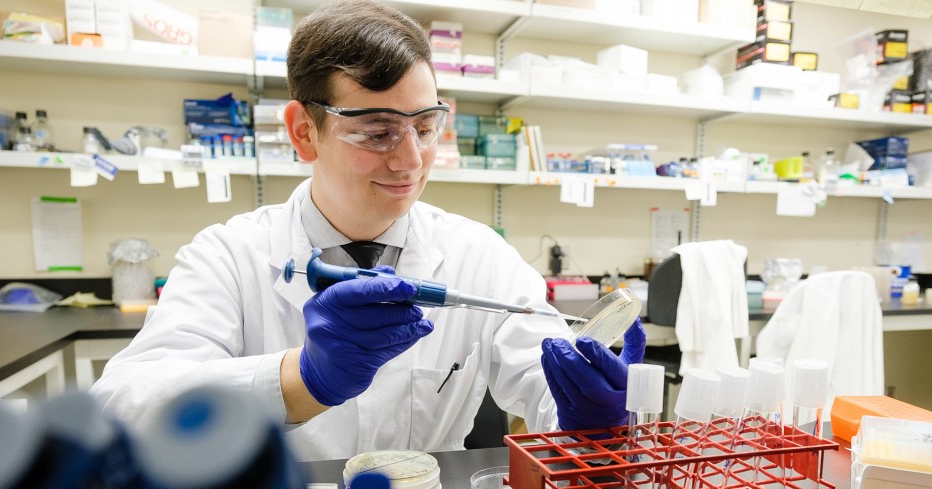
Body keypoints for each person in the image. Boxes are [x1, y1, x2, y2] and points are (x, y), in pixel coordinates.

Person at [90, 0, 645, 460]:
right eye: (378, 132)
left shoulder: (479, 255)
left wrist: (593, 419)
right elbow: (122, 406)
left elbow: (544, 379)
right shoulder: (228, 256)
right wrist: (302, 380)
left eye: (424, 127)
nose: (410, 161)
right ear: (304, 132)